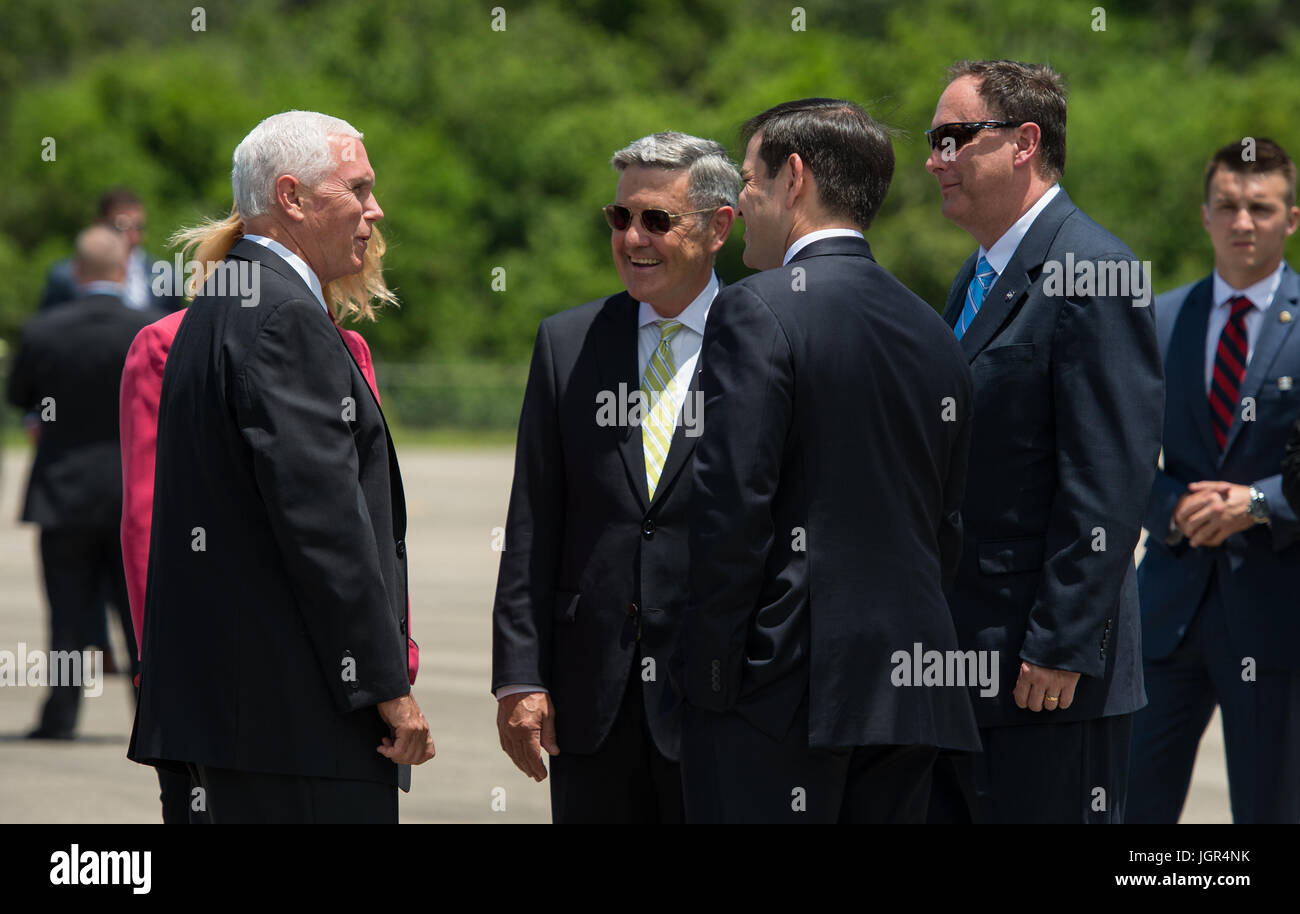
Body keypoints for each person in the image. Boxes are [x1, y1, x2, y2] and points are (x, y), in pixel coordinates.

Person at [676, 99, 981, 824]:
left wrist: (711, 676)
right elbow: (945, 523)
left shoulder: (757, 309)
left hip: (783, 694)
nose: (738, 202)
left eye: (747, 179)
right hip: (911, 694)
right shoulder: (935, 331)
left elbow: (731, 510)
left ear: (794, 178)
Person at [127, 110, 433, 824]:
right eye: (358, 188)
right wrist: (388, 688)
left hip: (222, 723)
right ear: (292, 197)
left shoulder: (216, 305)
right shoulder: (286, 318)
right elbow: (323, 523)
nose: (374, 209)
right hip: (290, 732)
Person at [922, 60, 1164, 824]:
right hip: (967, 666)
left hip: (1047, 680)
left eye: (954, 138)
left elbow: (1109, 478)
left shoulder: (1094, 269)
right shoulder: (977, 275)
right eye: (933, 142)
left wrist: (1060, 642)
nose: (936, 160)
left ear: (1025, 141)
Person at [492, 132, 738, 823]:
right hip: (590, 700)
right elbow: (531, 525)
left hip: (721, 699)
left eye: (657, 219)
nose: (633, 237)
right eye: (620, 218)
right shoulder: (567, 344)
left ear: (719, 226)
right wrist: (518, 676)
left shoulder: (767, 339)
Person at [1130, 138, 1300, 824]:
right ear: (1204, 215)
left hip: (1277, 607)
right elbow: (1116, 451)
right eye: (1227, 205)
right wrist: (1171, 505)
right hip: (1167, 604)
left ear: (1290, 219)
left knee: (1272, 810)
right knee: (1130, 808)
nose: (1242, 222)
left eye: (1260, 207)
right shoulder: (1159, 317)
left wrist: (1260, 503)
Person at [6, 225, 161, 739]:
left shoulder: (44, 330)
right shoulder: (149, 328)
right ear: (123, 270)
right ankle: (155, 713)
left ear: (75, 272)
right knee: (141, 612)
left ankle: (61, 716)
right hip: (133, 497)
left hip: (63, 494)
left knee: (68, 616)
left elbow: (18, 396)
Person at [39, 188, 181, 312]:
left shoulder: (165, 276)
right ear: (98, 224)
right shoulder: (63, 276)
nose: (131, 237)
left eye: (138, 227)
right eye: (122, 226)